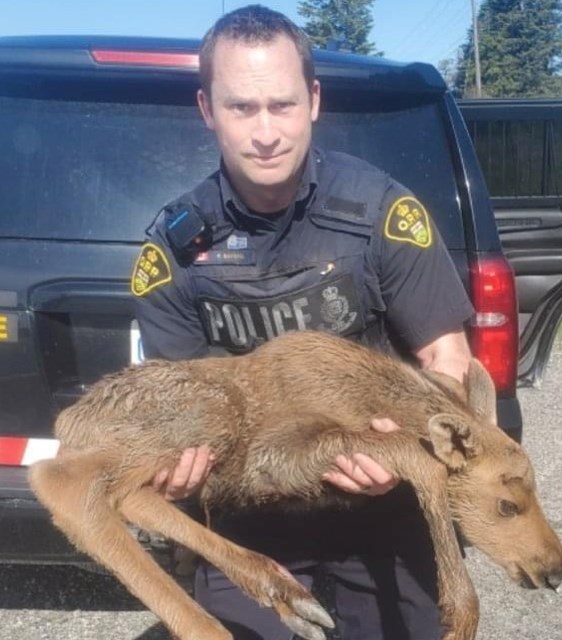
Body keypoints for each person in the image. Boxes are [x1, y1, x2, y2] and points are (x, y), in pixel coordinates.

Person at [131, 5, 475, 639]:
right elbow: (176, 401)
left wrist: (404, 454)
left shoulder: (380, 214)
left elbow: (447, 361)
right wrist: (173, 470)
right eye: (241, 108)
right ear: (208, 110)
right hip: (252, 521)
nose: (266, 132)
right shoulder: (175, 253)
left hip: (383, 511)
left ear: (313, 100)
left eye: (282, 105)